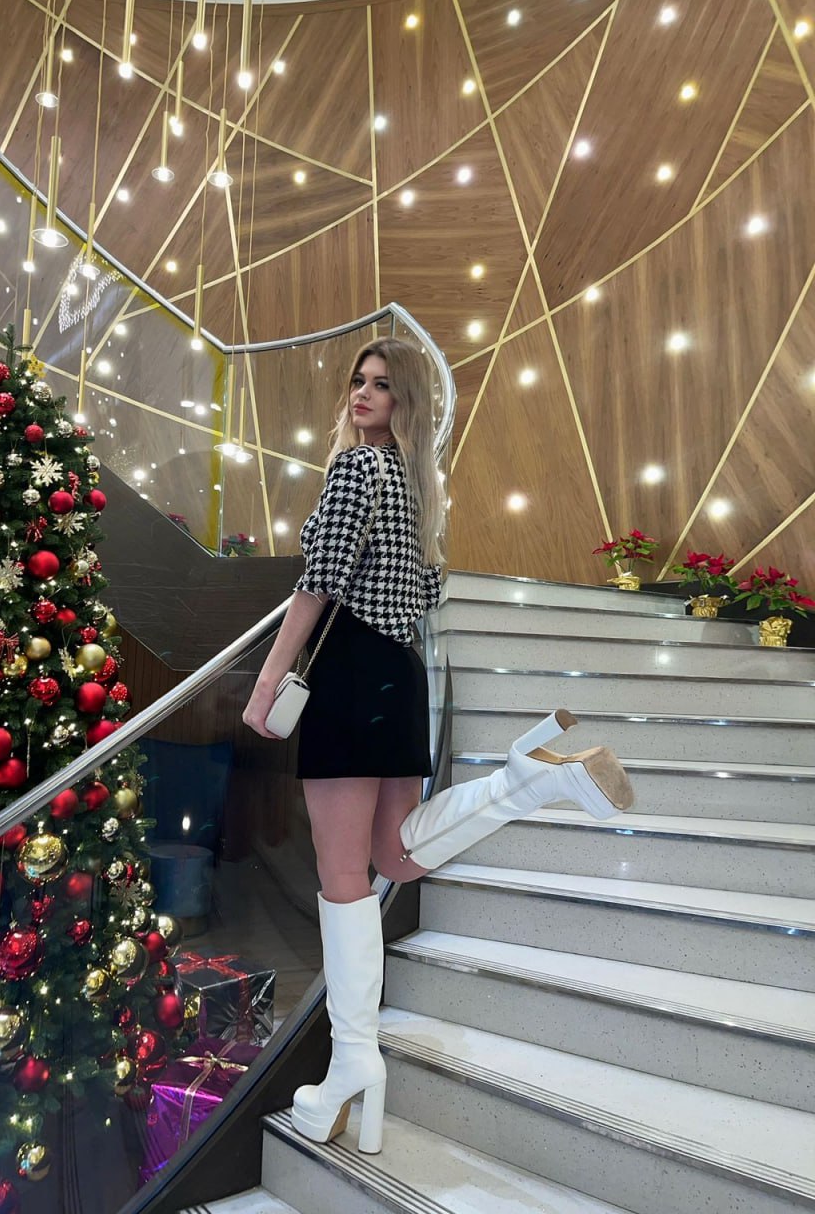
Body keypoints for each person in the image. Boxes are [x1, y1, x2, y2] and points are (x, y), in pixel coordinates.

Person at [242, 337, 634, 1156]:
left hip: (351, 671)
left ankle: (353, 1062)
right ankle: (525, 784)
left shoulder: (356, 468)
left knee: (344, 876)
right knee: (394, 856)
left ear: (406, 402)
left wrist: (269, 678)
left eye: (381, 385)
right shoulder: (424, 488)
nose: (362, 394)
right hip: (401, 670)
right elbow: (425, 590)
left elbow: (319, 580)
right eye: (359, 381)